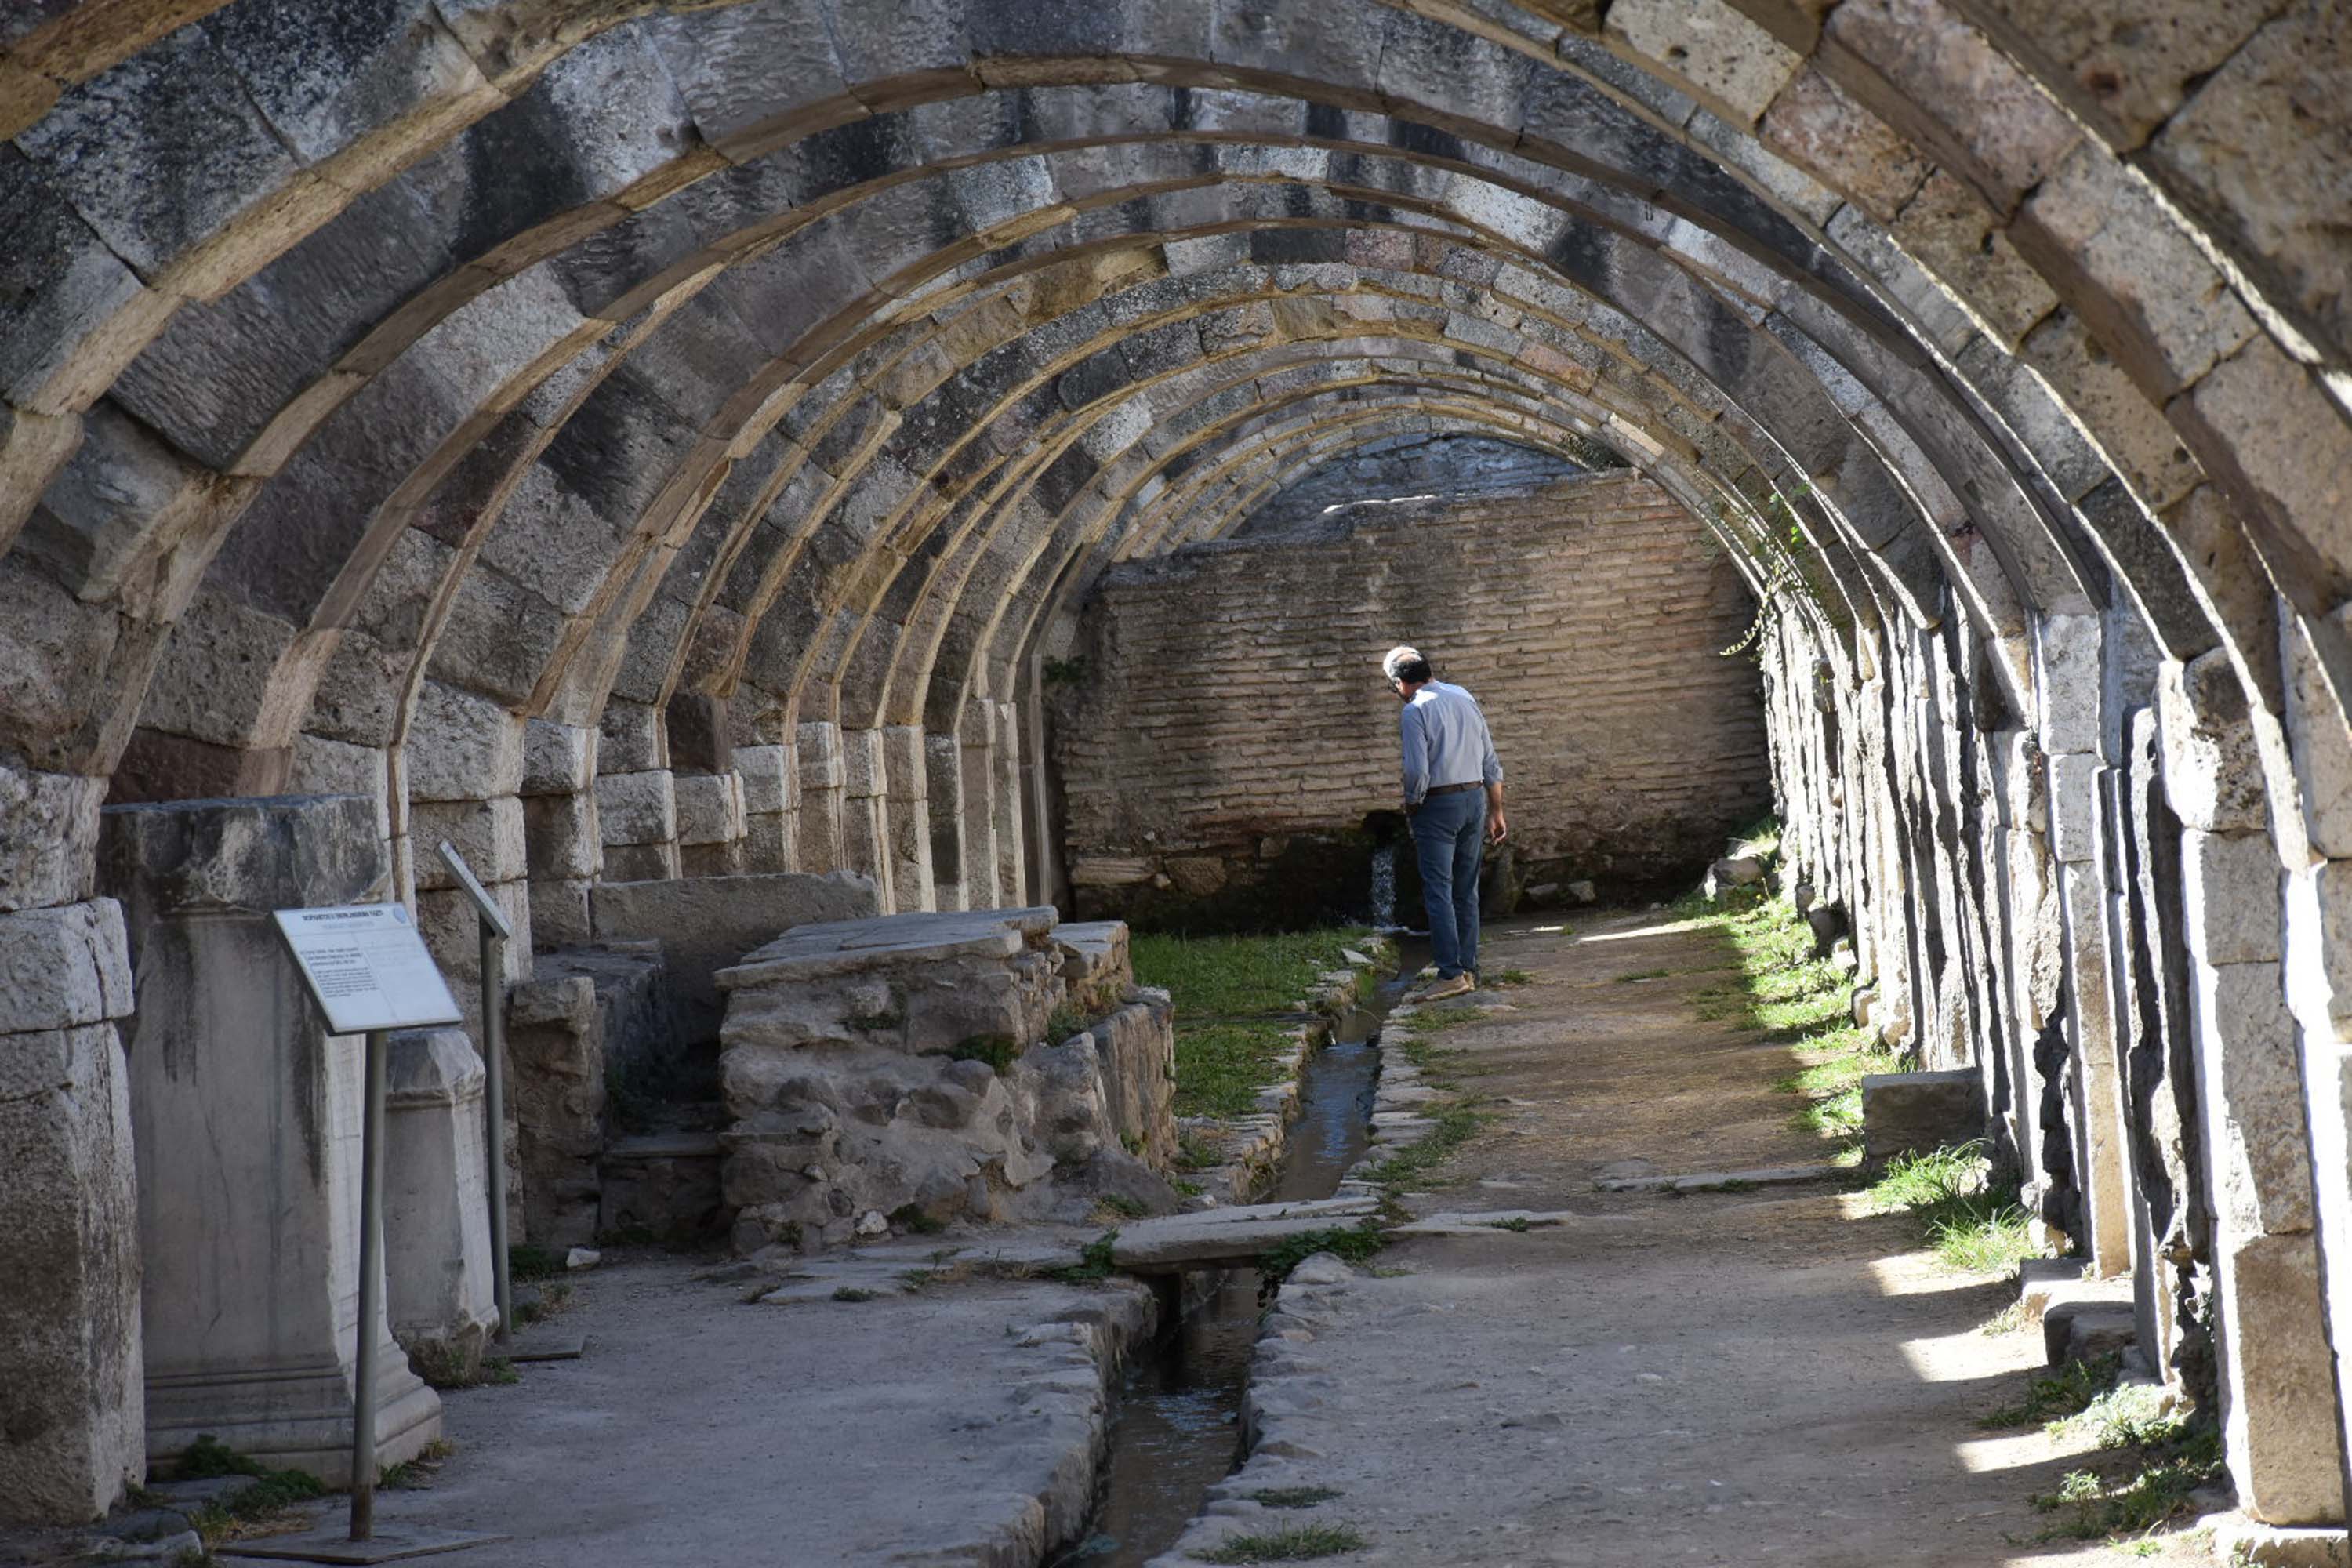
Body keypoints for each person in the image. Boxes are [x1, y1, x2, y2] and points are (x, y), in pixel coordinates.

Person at [1383, 644, 1507, 1002]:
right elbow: (1489, 756)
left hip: (1438, 804)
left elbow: (1416, 771)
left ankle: (1451, 974)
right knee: (1466, 890)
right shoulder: (1462, 695)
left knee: (1439, 890)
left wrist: (1412, 803)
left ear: (1400, 683)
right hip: (1474, 801)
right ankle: (1469, 968)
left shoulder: (1414, 710)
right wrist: (1496, 810)